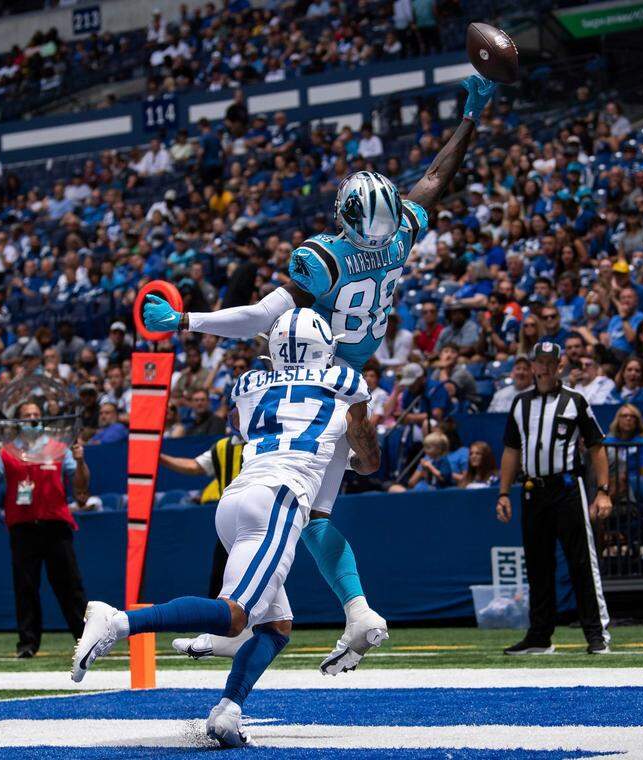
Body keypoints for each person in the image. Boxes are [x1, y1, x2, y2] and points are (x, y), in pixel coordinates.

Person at [140, 74, 499, 673]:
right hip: (350, 383)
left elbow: (261, 317)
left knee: (266, 490)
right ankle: (352, 611)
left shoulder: (325, 257)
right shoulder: (400, 237)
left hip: (307, 379)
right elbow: (436, 178)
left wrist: (185, 321)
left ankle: (245, 617)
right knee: (308, 514)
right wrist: (470, 116)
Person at [70, 308, 380, 746]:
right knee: (235, 617)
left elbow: (243, 421)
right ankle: (118, 622)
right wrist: (350, 452)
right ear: (325, 348)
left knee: (276, 626)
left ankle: (227, 711)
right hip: (280, 497)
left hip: (234, 499)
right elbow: (368, 459)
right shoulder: (347, 382)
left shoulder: (249, 384)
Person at [496, 341, 613, 655]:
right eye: (540, 362)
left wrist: (603, 491)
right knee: (537, 565)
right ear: (533, 365)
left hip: (567, 489)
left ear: (560, 365)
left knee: (581, 563)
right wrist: (504, 493)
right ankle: (539, 636)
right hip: (533, 491)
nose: (545, 367)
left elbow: (596, 446)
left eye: (550, 362)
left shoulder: (575, 400)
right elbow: (511, 449)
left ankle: (596, 634)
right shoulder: (520, 403)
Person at [0, 400, 91, 658]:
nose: (32, 418)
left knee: (70, 585)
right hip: (23, 528)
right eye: (26, 415)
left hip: (56, 525)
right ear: (17, 421)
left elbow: (81, 485)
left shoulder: (58, 448)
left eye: (36, 414)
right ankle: (27, 643)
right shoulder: (7, 452)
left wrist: (80, 461)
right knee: (25, 587)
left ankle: (86, 639)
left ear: (42, 419)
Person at [160, 435, 246, 602]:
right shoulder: (222, 446)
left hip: (260, 520)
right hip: (229, 524)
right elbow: (195, 466)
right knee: (220, 578)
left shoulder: (267, 441)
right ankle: (219, 617)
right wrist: (159, 457)